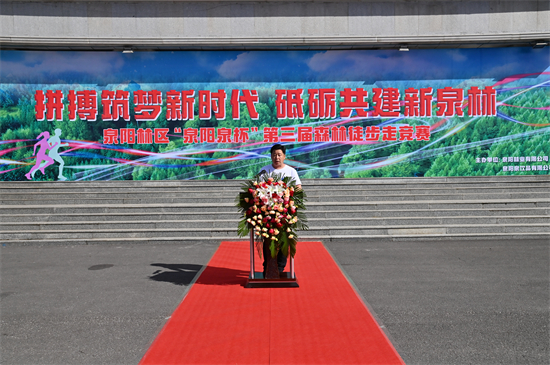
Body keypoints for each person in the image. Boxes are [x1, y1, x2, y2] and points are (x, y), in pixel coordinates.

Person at [259, 144, 302, 277]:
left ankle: (280, 267)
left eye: (279, 155)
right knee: (268, 239)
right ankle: (268, 266)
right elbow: (257, 189)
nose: (276, 157)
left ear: (284, 156)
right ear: (270, 156)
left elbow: (299, 188)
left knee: (283, 240)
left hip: (285, 212)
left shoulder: (291, 171)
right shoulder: (265, 171)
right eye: (274, 155)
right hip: (267, 212)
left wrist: (289, 197)